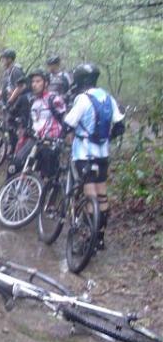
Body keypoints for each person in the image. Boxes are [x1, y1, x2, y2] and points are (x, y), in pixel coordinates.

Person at [63, 63, 124, 251]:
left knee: (89, 195)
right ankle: (100, 239)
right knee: (102, 196)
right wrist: (105, 139)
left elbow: (69, 123)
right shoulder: (107, 97)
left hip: (83, 154)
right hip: (103, 154)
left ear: (80, 80)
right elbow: (120, 125)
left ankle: (87, 240)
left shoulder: (82, 99)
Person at [9, 69, 66, 178]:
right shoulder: (33, 100)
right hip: (34, 140)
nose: (34, 84)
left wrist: (61, 139)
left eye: (38, 81)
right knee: (15, 165)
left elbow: (64, 121)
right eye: (33, 82)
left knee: (46, 175)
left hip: (49, 143)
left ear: (46, 83)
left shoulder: (54, 99)